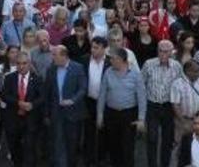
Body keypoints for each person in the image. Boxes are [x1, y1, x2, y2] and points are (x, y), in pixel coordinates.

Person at [97, 47, 147, 167]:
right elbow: (102, 95)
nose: (110, 61)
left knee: (127, 147)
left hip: (128, 115)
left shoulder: (135, 74)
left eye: (113, 59)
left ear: (121, 59)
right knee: (113, 146)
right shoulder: (108, 72)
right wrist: (100, 115)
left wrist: (141, 119)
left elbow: (141, 97)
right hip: (111, 114)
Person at [143, 39, 183, 167]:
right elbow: (141, 84)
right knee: (152, 138)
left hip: (168, 106)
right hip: (152, 105)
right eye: (161, 51)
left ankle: (165, 164)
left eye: (166, 51)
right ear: (157, 51)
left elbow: (181, 86)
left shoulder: (177, 66)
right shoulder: (148, 64)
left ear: (171, 52)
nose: (163, 54)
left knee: (167, 139)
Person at [44, 45, 86, 167]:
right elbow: (47, 93)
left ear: (64, 56)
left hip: (73, 113)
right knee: (58, 142)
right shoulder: (51, 70)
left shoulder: (78, 68)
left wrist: (73, 100)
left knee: (72, 142)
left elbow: (83, 88)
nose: (52, 58)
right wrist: (46, 113)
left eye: (54, 55)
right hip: (56, 112)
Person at [0, 51, 44, 167]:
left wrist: (32, 104)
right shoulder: (9, 78)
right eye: (18, 63)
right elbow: (4, 95)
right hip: (13, 119)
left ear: (29, 64)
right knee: (14, 147)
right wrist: (18, 103)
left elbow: (42, 97)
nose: (21, 66)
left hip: (30, 120)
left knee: (30, 148)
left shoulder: (37, 79)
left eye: (24, 63)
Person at [80, 36, 110, 167]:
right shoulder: (84, 60)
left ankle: (102, 159)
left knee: (104, 131)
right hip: (89, 101)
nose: (93, 50)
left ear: (104, 49)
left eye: (96, 48)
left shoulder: (109, 62)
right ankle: (88, 159)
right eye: (92, 47)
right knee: (88, 132)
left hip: (105, 103)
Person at [171, 60, 199, 164]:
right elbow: (175, 104)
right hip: (183, 121)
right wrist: (183, 122)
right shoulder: (177, 84)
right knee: (178, 147)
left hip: (198, 121)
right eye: (195, 71)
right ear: (187, 71)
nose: (198, 73)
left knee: (196, 148)